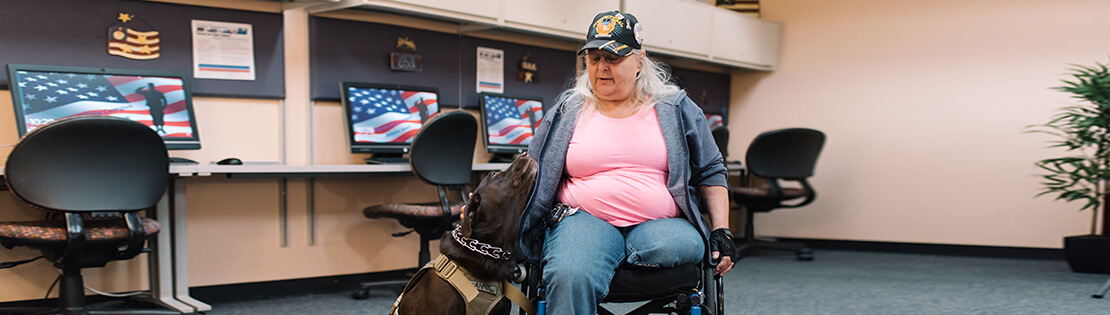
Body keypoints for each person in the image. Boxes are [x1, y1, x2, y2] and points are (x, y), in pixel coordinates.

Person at [516, 10, 736, 314]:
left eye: (613, 58)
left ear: (640, 60)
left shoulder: (675, 107)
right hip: (583, 218)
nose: (602, 68)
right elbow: (529, 169)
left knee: (687, 244)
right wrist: (486, 205)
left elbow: (711, 171)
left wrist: (721, 230)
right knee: (569, 274)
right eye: (593, 58)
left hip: (659, 227)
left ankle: (610, 251)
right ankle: (598, 251)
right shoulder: (568, 110)